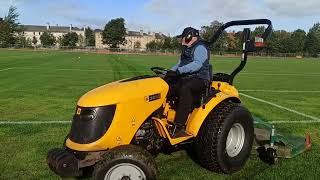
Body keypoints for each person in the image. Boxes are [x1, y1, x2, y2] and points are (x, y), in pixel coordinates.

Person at [165, 27, 211, 138]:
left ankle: (179, 125)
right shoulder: (187, 49)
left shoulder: (200, 47)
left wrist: (180, 71)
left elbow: (197, 64)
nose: (182, 40)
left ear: (189, 36)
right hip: (188, 77)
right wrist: (170, 72)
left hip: (200, 79)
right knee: (166, 84)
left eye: (183, 37)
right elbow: (179, 63)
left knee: (185, 88)